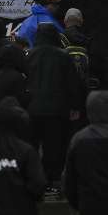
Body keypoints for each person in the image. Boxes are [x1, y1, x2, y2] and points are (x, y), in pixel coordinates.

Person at [25, 23, 84, 193]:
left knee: (33, 144)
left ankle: (34, 177)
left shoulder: (29, 55)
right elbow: (73, 84)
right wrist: (75, 106)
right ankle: (52, 179)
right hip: (57, 109)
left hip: (32, 108)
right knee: (55, 146)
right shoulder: (63, 56)